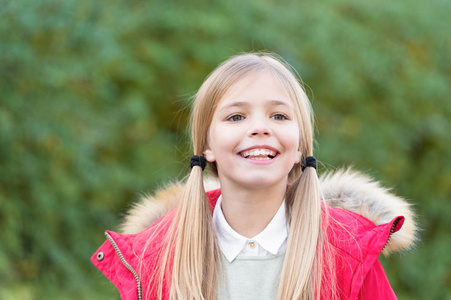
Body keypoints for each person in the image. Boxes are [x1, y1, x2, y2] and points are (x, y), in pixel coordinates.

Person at [91, 53, 417, 300]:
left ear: (300, 144)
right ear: (207, 145)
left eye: (278, 115)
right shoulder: (156, 259)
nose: (260, 128)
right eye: (236, 116)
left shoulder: (348, 252)